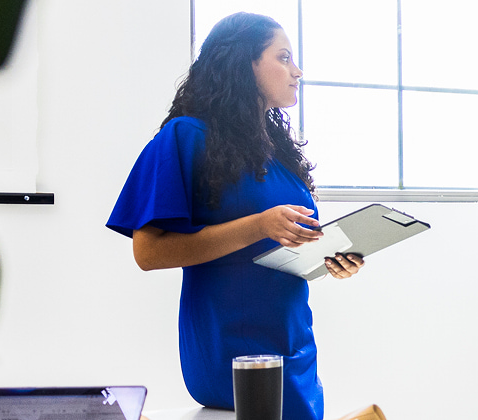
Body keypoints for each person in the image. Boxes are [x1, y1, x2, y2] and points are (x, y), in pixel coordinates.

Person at [105, 12, 364, 420]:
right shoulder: (185, 137)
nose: (297, 71)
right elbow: (148, 253)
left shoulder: (280, 154)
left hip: (295, 350)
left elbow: (288, 250)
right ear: (244, 62)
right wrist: (259, 225)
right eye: (283, 57)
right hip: (230, 352)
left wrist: (330, 259)